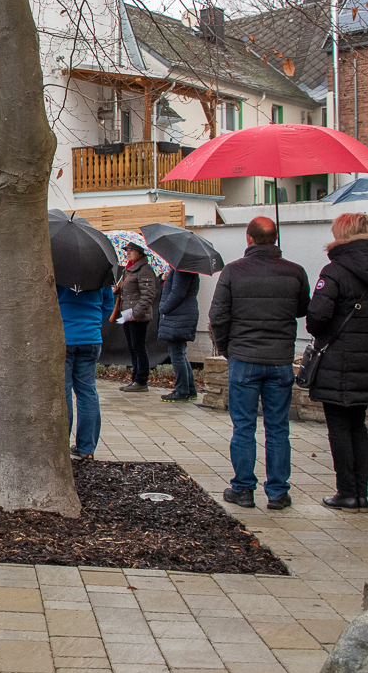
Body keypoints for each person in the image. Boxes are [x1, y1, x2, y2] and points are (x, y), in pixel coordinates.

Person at [305, 213, 368, 512]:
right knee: (358, 427)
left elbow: (317, 318)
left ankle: (347, 492)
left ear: (342, 234)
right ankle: (361, 494)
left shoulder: (334, 270)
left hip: (336, 358)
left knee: (338, 427)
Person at [208, 216, 310, 510]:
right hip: (279, 359)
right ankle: (278, 492)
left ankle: (243, 489)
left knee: (243, 426)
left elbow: (218, 316)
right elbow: (302, 308)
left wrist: (227, 348)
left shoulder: (233, 271)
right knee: (278, 427)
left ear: (248, 238)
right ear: (275, 238)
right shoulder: (295, 272)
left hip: (244, 357)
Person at [58, 280, 115, 460]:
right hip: (91, 338)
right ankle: (86, 447)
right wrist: (93, 322)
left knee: (63, 393)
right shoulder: (100, 273)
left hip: (64, 336)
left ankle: (60, 445)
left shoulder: (59, 272)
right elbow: (108, 305)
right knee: (87, 392)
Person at [117, 243, 157, 392]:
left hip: (137, 316)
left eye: (131, 251)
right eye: (127, 250)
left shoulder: (144, 269)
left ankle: (141, 380)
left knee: (138, 347)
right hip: (127, 314)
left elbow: (148, 295)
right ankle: (135, 378)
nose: (128, 253)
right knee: (132, 347)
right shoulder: (128, 269)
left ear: (139, 253)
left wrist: (136, 313)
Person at [157, 265, 200, 402]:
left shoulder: (182, 269)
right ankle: (190, 389)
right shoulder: (182, 268)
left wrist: (163, 308)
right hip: (181, 314)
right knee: (179, 353)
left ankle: (182, 391)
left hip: (179, 315)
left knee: (176, 354)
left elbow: (177, 293)